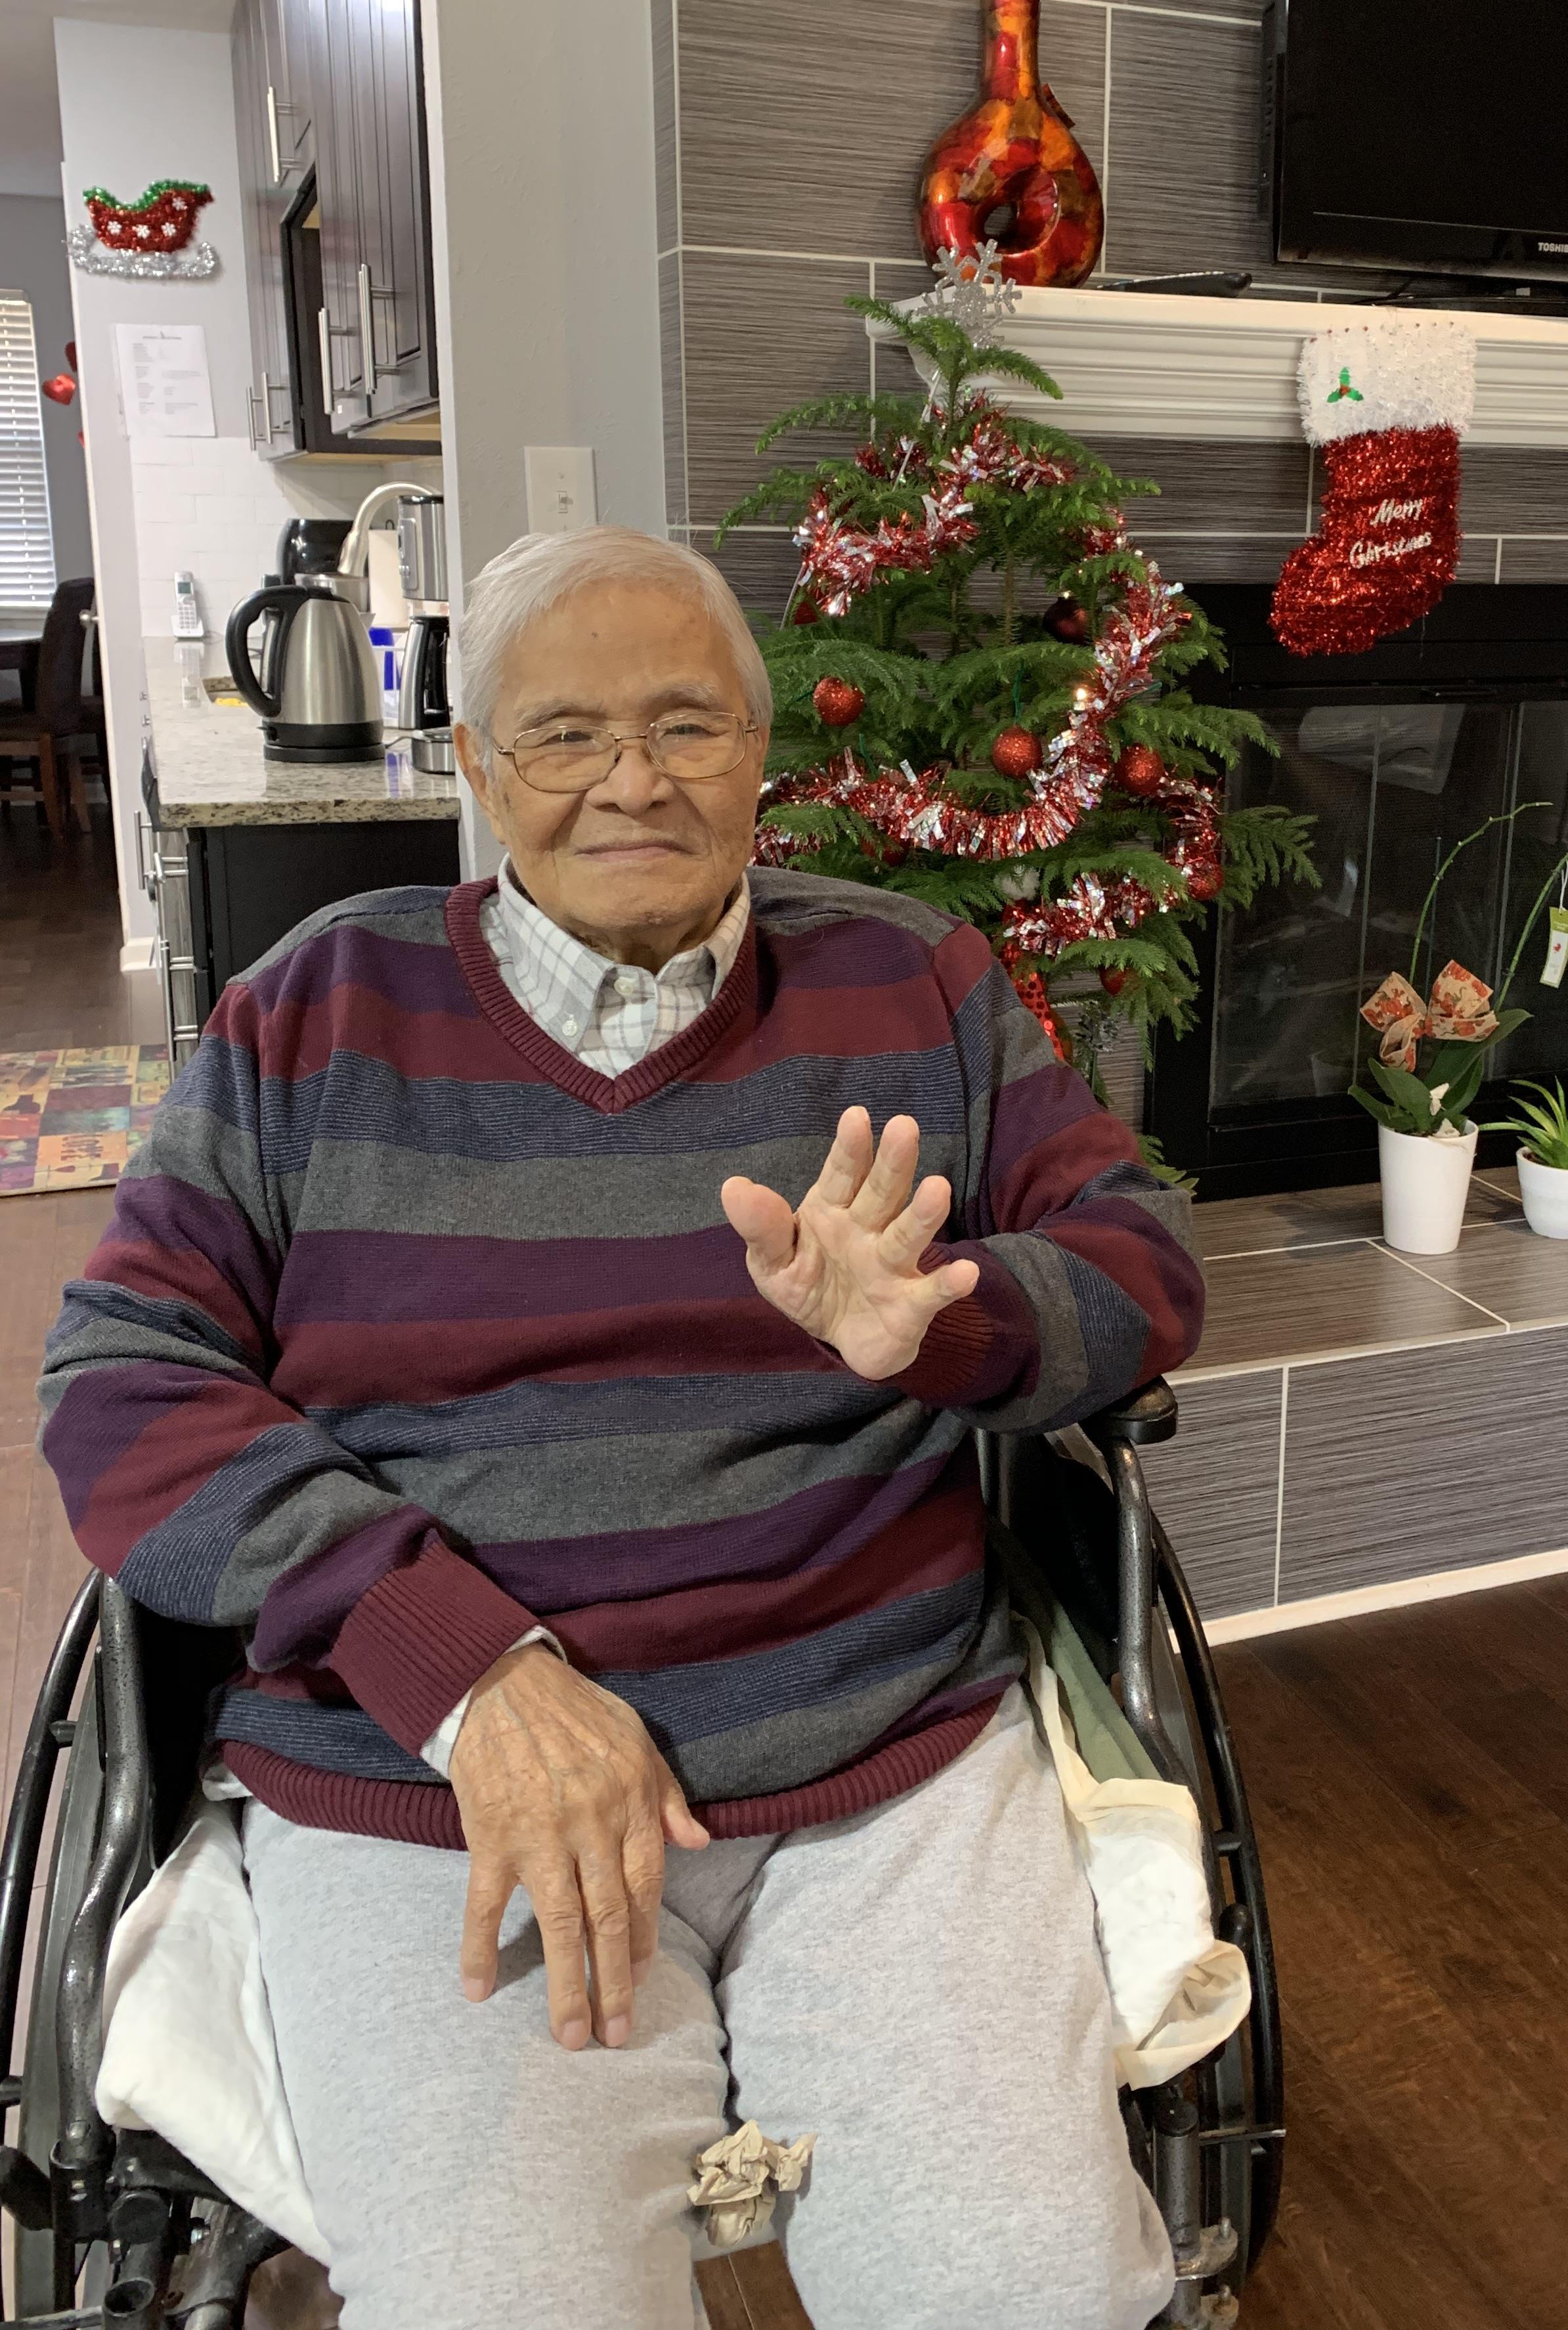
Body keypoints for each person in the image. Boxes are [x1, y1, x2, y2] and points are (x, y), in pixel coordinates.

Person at [39, 527, 1204, 2330]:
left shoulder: (916, 979)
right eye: (567, 736)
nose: (635, 782)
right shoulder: (315, 1013)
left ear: (762, 752)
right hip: (442, 1789)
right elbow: (122, 1381)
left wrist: (953, 1323)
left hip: (880, 1762)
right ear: (484, 770)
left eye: (688, 725)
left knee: (1030, 2291)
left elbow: (1136, 1261)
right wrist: (462, 1663)